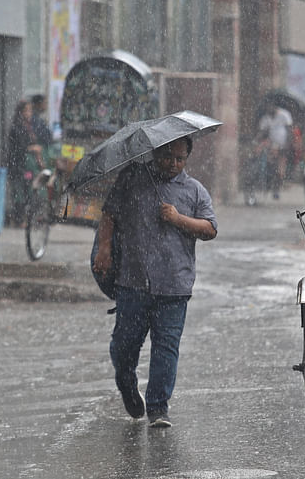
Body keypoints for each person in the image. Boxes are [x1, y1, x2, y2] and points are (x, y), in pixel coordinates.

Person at [92, 137, 217, 428]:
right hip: (133, 281)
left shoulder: (194, 190)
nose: (172, 164)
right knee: (124, 346)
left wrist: (177, 219)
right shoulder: (132, 178)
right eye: (166, 157)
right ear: (155, 153)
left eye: (179, 159)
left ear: (187, 159)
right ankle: (126, 383)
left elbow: (210, 228)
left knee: (166, 347)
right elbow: (109, 214)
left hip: (174, 284)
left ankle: (158, 407)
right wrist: (104, 248)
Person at [4, 99, 43, 227]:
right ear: (20, 112)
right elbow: (19, 147)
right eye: (26, 110)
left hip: (26, 167)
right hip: (18, 166)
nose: (29, 113)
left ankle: (24, 217)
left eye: (30, 110)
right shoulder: (17, 127)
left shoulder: (28, 126)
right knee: (19, 193)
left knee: (28, 191)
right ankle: (19, 219)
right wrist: (32, 148)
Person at [257, 106, 293, 199]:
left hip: (282, 145)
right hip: (271, 145)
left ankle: (277, 187)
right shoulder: (266, 118)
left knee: (280, 169)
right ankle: (269, 183)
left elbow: (289, 130)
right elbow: (262, 131)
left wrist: (287, 144)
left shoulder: (284, 115)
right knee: (271, 165)